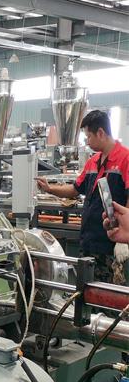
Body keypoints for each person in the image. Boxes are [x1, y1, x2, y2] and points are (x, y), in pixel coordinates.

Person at [36, 109, 129, 283]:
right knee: (86, 289)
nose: (87, 141)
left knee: (109, 293)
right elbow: (75, 189)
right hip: (88, 241)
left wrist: (124, 238)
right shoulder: (93, 162)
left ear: (100, 133)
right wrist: (50, 189)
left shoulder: (125, 159)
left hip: (112, 245)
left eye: (88, 136)